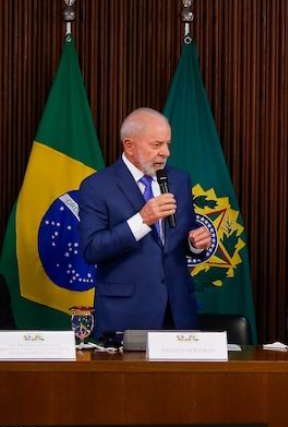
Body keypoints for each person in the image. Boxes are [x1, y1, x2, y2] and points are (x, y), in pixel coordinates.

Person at [79, 108, 211, 338]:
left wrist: (195, 243)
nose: (166, 152)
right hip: (126, 313)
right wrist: (141, 220)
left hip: (178, 312)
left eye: (168, 144)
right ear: (129, 146)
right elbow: (92, 249)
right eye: (157, 145)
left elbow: (183, 236)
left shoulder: (179, 180)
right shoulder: (96, 186)